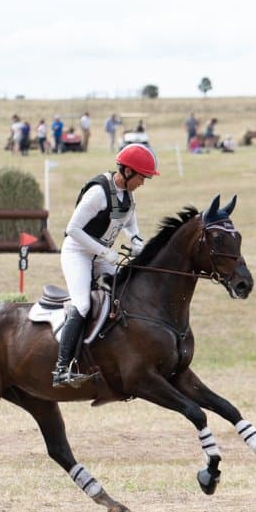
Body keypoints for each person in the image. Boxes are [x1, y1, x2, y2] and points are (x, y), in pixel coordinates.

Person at [52, 144, 160, 387]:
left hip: (101, 256)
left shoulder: (127, 194)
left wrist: (135, 239)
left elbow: (129, 218)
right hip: (77, 252)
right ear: (129, 172)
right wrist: (104, 251)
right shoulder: (98, 194)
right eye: (143, 176)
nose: (143, 182)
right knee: (82, 304)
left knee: (129, 288)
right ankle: (61, 369)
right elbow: (72, 230)